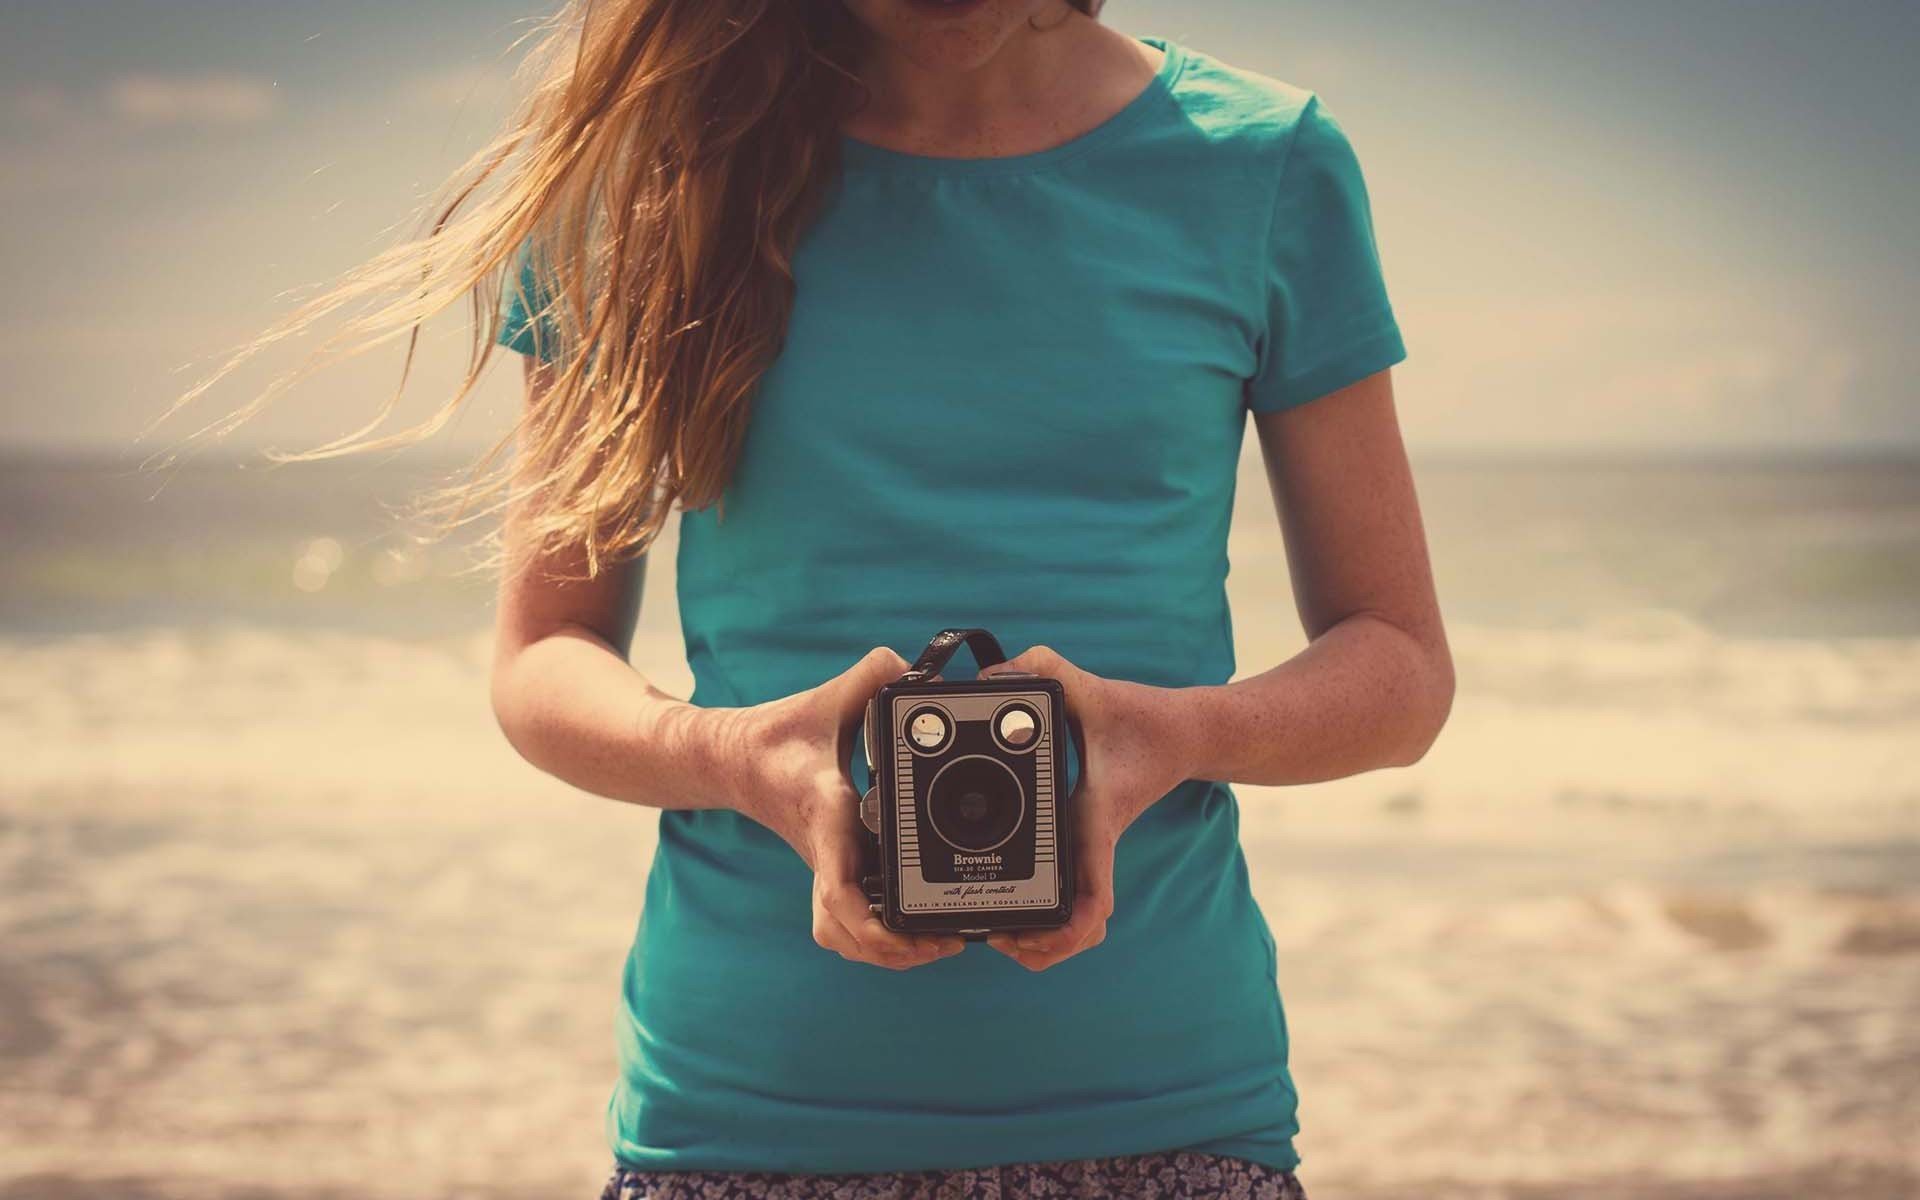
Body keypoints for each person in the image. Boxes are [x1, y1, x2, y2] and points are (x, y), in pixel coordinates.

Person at [180, 1, 1454, 1196]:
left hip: (1172, 1116)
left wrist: (1173, 735)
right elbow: (544, 657)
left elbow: (1397, 662)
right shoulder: (649, 179)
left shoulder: (1263, 165)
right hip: (741, 1122)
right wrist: (742, 759)